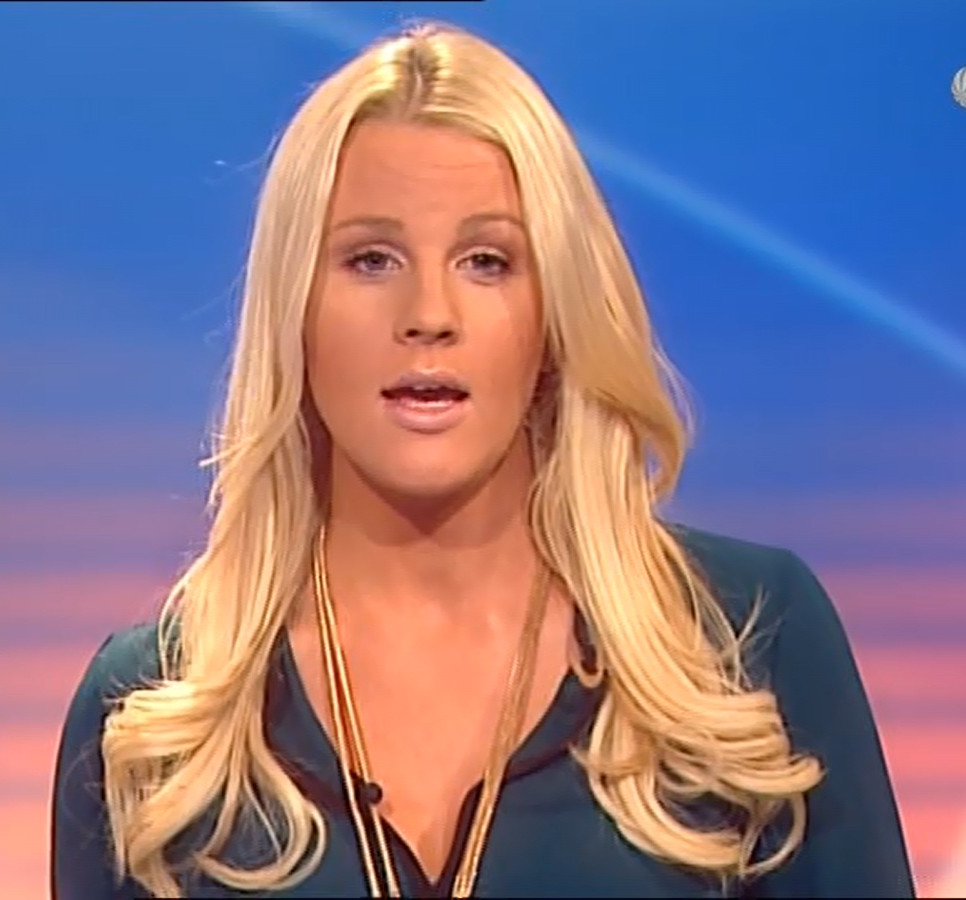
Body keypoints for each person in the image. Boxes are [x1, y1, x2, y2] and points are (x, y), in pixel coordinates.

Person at [51, 20, 915, 900]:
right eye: (371, 259)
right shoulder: (152, 720)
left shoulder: (746, 642)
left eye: (487, 261)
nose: (430, 314)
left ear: (554, 315)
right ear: (294, 311)